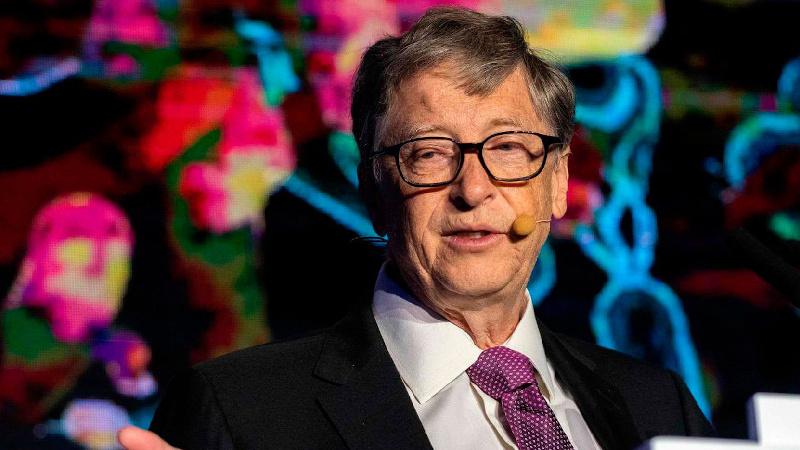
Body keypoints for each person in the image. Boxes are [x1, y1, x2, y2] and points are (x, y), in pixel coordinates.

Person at [118, 7, 713, 450]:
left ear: (557, 181)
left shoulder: (659, 406)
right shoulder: (242, 412)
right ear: (373, 190)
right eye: (428, 154)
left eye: (508, 149)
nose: (473, 190)